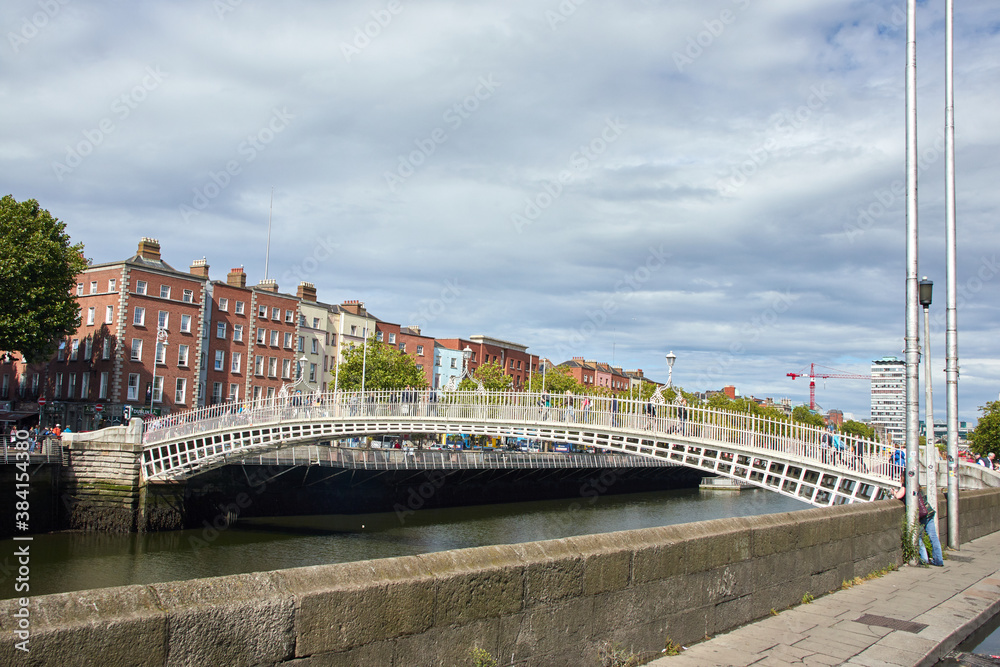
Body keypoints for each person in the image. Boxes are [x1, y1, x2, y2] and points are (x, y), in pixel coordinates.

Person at [892, 471, 944, 566]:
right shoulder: (917, 485)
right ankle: (939, 560)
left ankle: (924, 559)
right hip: (928, 512)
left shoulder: (906, 486)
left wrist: (894, 493)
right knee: (933, 537)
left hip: (920, 515)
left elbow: (898, 496)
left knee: (918, 536)